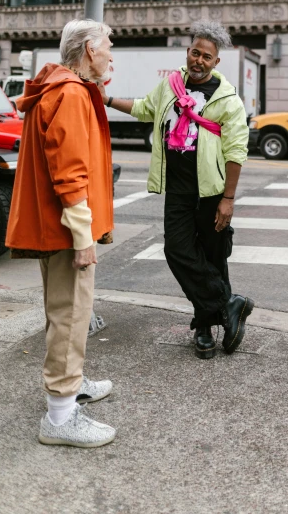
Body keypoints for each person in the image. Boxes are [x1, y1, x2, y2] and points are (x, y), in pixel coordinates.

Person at [101, 21, 253, 359]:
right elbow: (145, 109)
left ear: (216, 61)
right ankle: (229, 304)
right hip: (179, 190)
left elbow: (237, 152)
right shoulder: (170, 85)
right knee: (178, 251)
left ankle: (205, 326)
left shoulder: (228, 99)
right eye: (195, 52)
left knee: (213, 258)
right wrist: (107, 99)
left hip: (212, 192)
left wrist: (228, 200)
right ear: (187, 52)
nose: (199, 60)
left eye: (207, 56)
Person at [6, 19, 117, 447]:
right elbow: (70, 173)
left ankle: (71, 386)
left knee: (65, 313)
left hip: (55, 228)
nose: (111, 54)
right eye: (108, 46)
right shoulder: (70, 93)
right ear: (89, 50)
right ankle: (60, 415)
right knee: (71, 316)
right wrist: (83, 236)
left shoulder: (58, 87)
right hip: (64, 231)